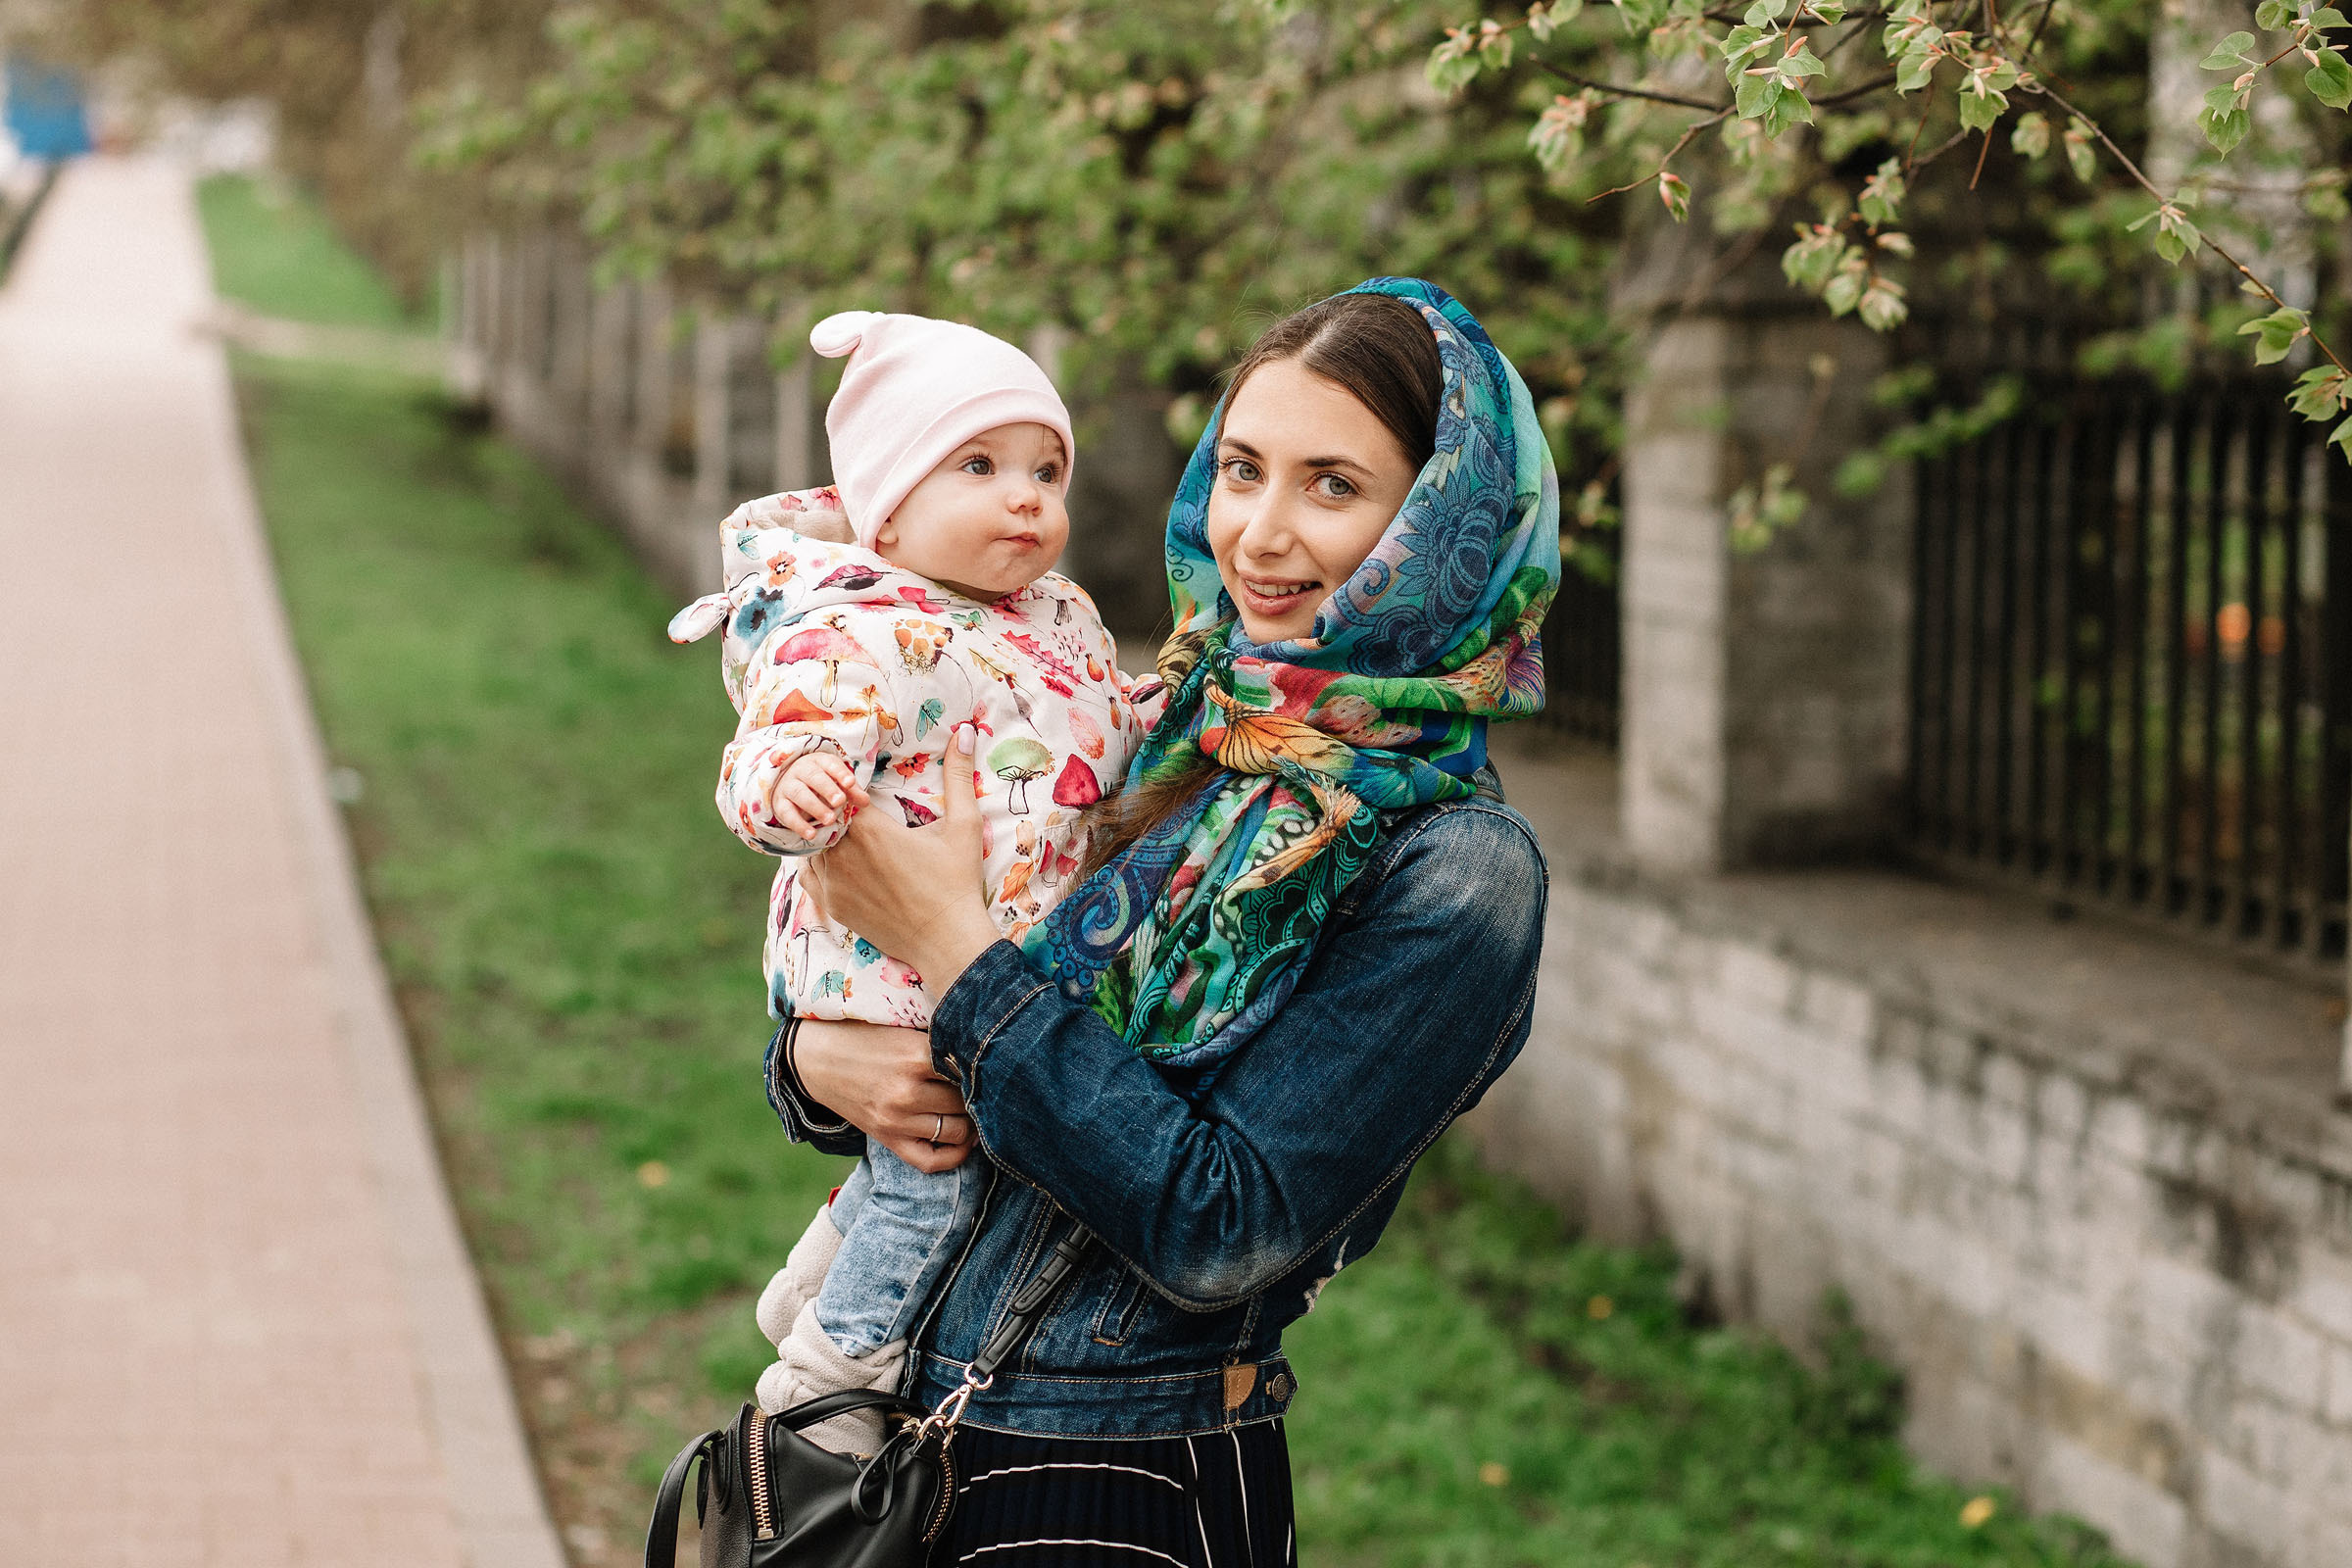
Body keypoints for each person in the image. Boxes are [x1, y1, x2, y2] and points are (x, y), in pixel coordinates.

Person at [778, 276, 1555, 1561]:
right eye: (1244, 468)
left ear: (1447, 522)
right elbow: (916, 1006)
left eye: (1334, 486)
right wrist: (815, 1064)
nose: (1257, 531)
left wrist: (957, 956)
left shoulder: (1457, 869)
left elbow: (1220, 1227)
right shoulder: (1168, 731)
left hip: (1114, 1489)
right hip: (892, 1431)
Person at [668, 309, 1158, 1450]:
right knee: (939, 1169)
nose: (1027, 496)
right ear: (889, 502)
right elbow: (776, 734)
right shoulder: (861, 631)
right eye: (979, 466)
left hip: (982, 955)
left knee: (932, 1157)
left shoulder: (1057, 614)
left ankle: (814, 1279)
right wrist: (793, 782)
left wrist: (1144, 714)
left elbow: (1081, 721)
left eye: (1046, 468)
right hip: (885, 965)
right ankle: (828, 1382)